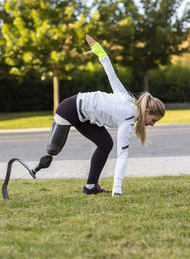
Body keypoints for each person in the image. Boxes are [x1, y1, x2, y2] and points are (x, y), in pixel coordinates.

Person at [32, 34, 165, 196]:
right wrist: (117, 190)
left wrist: (99, 51)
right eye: (154, 120)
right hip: (69, 109)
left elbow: (112, 75)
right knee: (52, 150)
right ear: (148, 111)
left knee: (105, 144)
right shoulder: (129, 116)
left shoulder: (128, 99)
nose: (152, 124)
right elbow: (122, 155)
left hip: (84, 116)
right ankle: (35, 168)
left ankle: (90, 186)